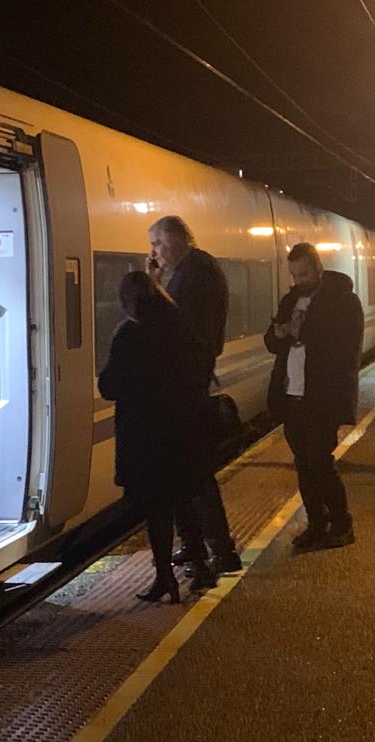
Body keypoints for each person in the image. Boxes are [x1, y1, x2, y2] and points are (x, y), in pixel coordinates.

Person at [98, 272, 211, 602]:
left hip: (146, 437)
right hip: (181, 431)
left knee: (157, 510)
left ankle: (164, 578)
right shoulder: (181, 326)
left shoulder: (130, 335)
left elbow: (109, 386)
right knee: (183, 501)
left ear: (128, 300)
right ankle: (202, 567)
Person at [147, 215, 240, 577]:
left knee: (196, 475)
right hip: (188, 383)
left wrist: (154, 287)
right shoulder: (195, 269)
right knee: (185, 474)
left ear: (177, 239)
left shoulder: (196, 272)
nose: (153, 251)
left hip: (187, 387)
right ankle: (196, 544)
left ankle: (221, 551)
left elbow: (181, 325)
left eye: (157, 242)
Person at [265, 243, 363, 550]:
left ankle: (342, 524)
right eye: (294, 274)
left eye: (304, 273)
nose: (298, 280)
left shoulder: (343, 301)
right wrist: (280, 335)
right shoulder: (290, 299)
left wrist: (301, 332)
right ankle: (316, 524)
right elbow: (272, 340)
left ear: (319, 269)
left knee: (320, 463)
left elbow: (345, 348)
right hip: (292, 395)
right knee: (303, 465)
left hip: (322, 397)